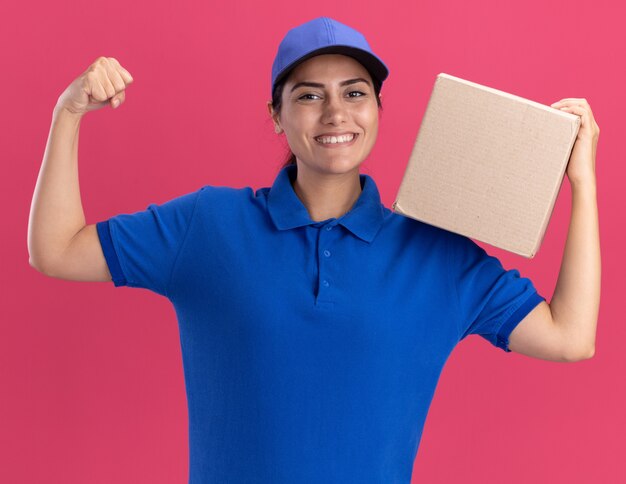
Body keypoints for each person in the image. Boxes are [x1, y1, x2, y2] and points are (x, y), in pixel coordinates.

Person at [28, 16, 600, 484]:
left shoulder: (437, 254)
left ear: (377, 109)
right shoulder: (209, 226)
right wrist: (67, 115)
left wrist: (582, 183)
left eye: (355, 93)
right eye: (308, 96)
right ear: (275, 115)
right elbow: (56, 250)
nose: (335, 114)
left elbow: (570, 336)